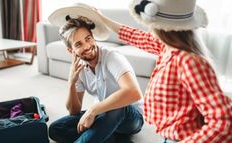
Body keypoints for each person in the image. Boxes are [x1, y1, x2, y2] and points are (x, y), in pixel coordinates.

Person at [92, 0, 232, 142]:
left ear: (163, 28)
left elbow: (224, 122)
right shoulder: (167, 47)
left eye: (151, 24)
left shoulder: (188, 62)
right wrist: (102, 19)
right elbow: (135, 36)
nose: (149, 29)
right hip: (166, 136)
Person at [48, 6, 144, 143]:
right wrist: (71, 82)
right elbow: (74, 111)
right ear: (71, 50)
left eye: (88, 39)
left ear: (93, 37)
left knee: (116, 108)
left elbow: (133, 92)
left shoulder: (112, 57)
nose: (87, 46)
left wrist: (93, 110)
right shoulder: (78, 68)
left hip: (130, 117)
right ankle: (108, 136)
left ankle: (101, 134)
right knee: (56, 129)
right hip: (103, 115)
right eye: (79, 44)